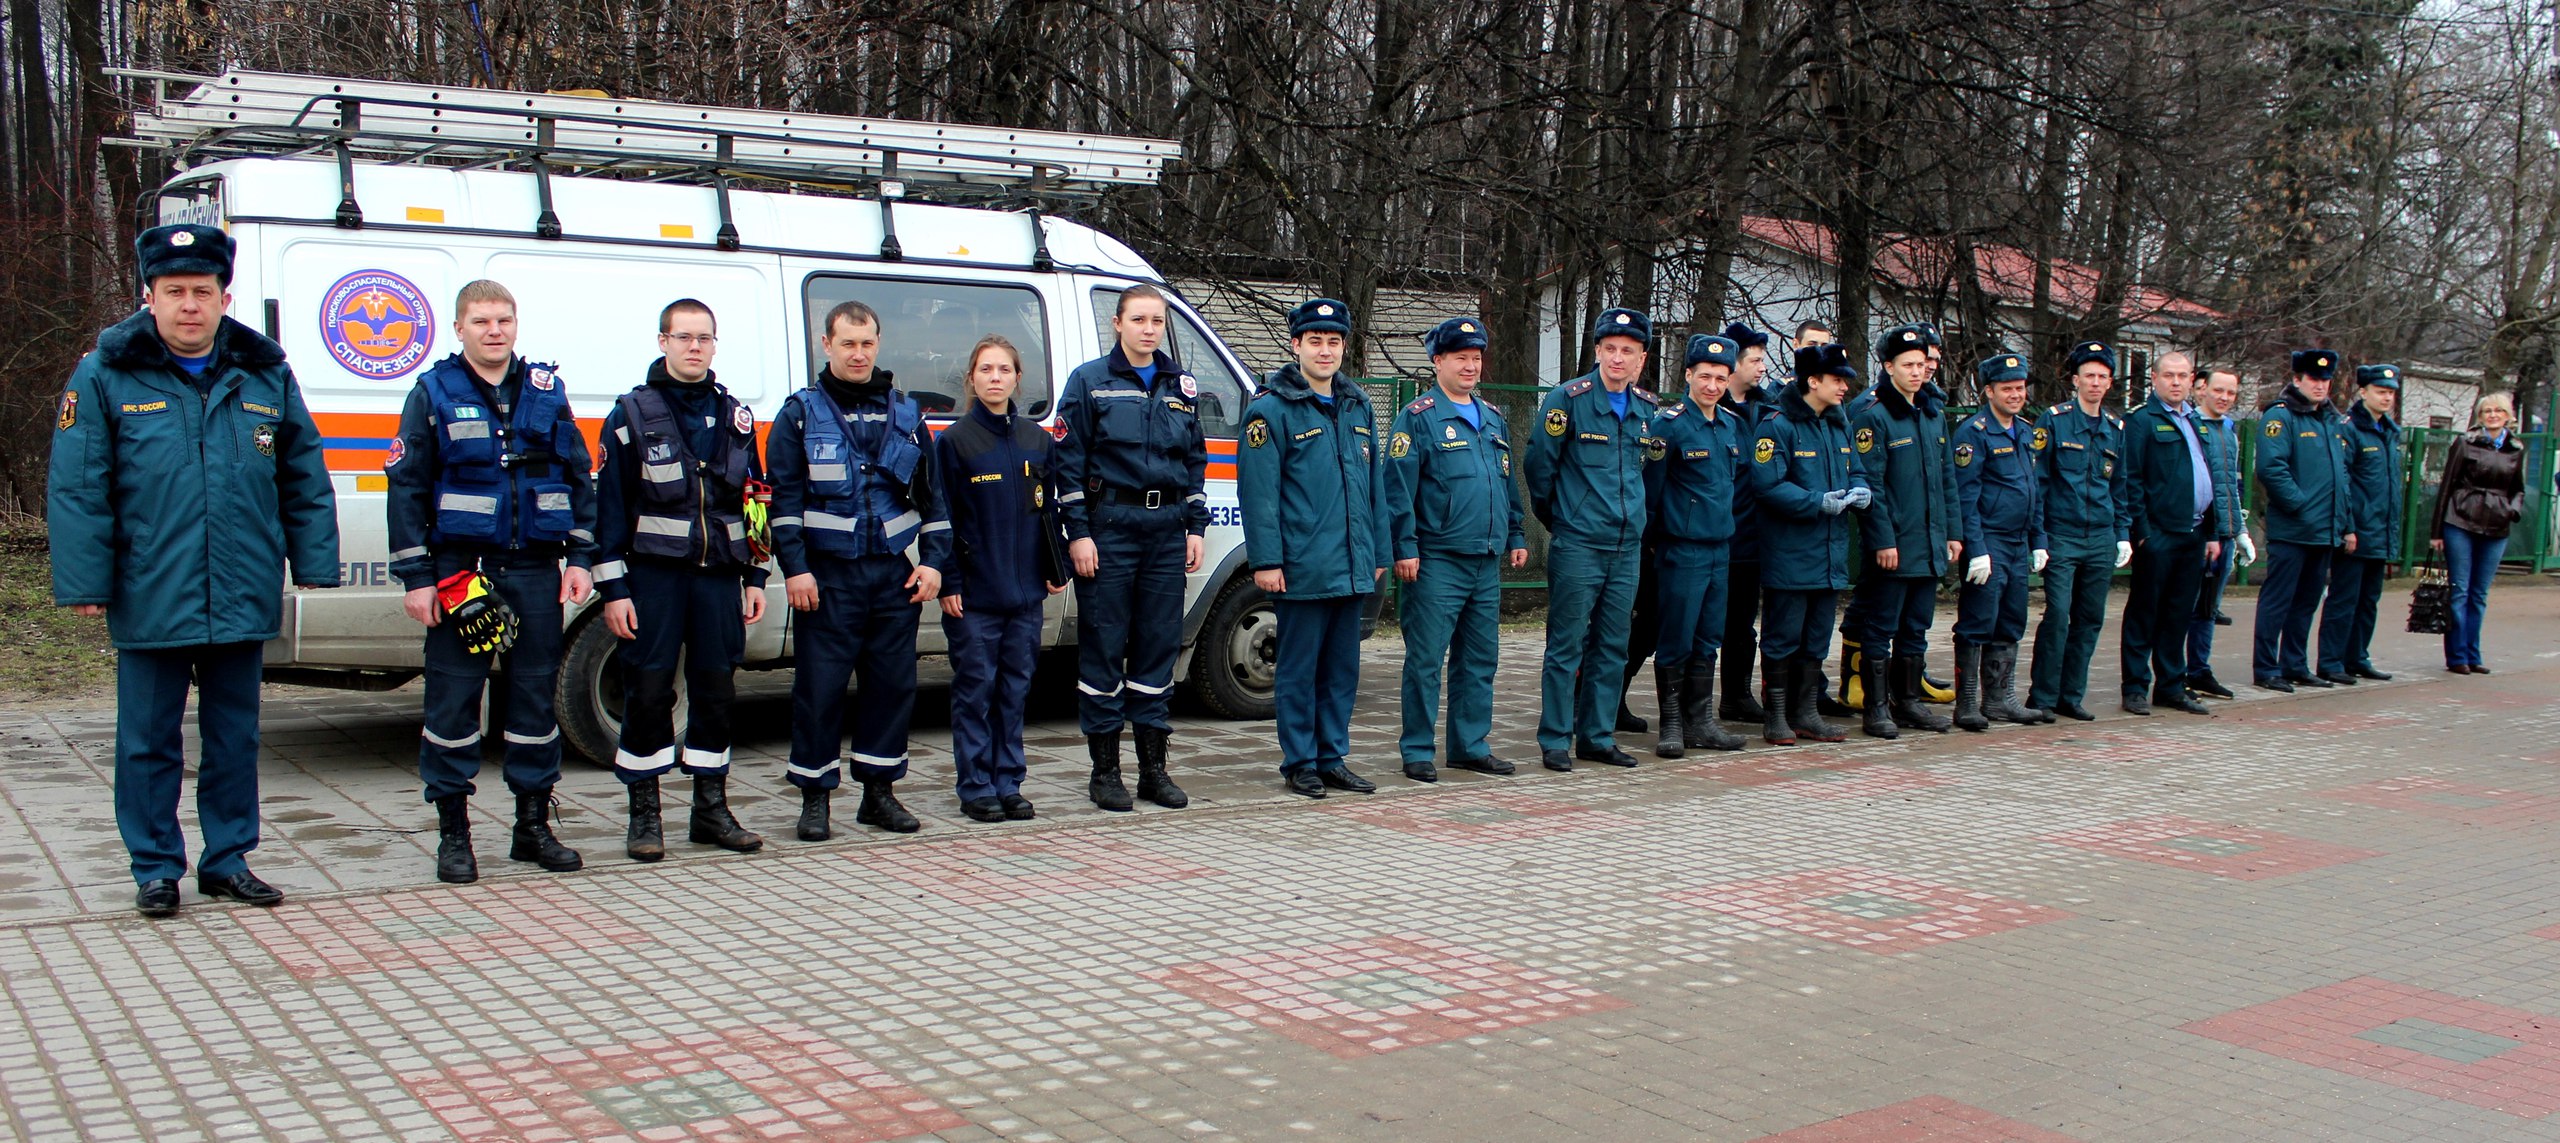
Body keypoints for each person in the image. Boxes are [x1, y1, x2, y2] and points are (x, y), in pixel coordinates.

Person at [49, 223, 339, 917]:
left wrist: (317, 563)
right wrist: (87, 581)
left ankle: (228, 858)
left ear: (223, 297)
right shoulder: (105, 373)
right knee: (148, 741)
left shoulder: (265, 371)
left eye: (201, 291)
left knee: (234, 735)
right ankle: (154, 867)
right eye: (173, 291)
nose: (188, 304)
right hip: (152, 588)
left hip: (241, 586)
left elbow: (303, 472)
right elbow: (79, 483)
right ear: (148, 296)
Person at [387, 279, 593, 885]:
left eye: (503, 320)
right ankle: (454, 834)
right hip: (460, 574)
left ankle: (531, 826)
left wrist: (580, 559)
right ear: (459, 329)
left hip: (533, 570)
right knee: (452, 704)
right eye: (481, 321)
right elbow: (406, 488)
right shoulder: (432, 393)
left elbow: (579, 479)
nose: (494, 331)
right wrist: (416, 578)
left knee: (534, 701)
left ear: (515, 324)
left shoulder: (545, 394)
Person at [591, 299, 767, 860]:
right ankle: (645, 815)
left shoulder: (735, 417)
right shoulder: (631, 414)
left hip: (718, 578)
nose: (695, 347)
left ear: (715, 345)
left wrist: (757, 575)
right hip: (653, 578)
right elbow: (607, 511)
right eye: (684, 337)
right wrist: (613, 590)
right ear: (662, 341)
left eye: (705, 338)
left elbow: (755, 500)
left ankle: (710, 811)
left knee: (716, 692)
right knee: (648, 692)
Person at [770, 300, 950, 836]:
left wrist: (935, 564)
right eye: (847, 343)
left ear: (879, 344)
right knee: (819, 690)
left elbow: (934, 500)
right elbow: (782, 501)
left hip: (892, 575)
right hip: (827, 580)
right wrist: (796, 569)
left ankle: (878, 793)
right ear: (827, 346)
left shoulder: (907, 415)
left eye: (867, 343)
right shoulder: (800, 414)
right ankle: (815, 798)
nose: (858, 353)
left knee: (891, 687)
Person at [1055, 285, 1207, 809]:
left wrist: (1196, 526)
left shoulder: (1180, 386)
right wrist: (1079, 533)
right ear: (1117, 324)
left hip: (1165, 529)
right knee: (1103, 648)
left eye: (1157, 321)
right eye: (1138, 319)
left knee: (1157, 648)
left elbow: (1194, 462)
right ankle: (1105, 773)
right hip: (1111, 528)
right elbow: (1068, 464)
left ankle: (1153, 771)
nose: (1149, 329)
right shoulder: (1090, 382)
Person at [1240, 299, 1390, 798]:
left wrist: (1380, 553)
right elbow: (1259, 494)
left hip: (1352, 565)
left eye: (1334, 342)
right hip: (1302, 566)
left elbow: (1374, 487)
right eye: (1315, 341)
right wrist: (1266, 561)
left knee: (1342, 671)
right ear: (1296, 345)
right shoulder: (1270, 409)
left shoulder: (1358, 405)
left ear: (1344, 347)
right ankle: (1299, 762)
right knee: (1300, 671)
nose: (1325, 351)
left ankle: (1332, 757)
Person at [1387, 318, 1528, 783]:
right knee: (1426, 660)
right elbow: (1398, 489)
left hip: (1485, 560)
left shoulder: (1492, 416)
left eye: (1476, 358)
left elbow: (1506, 483)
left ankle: (1470, 746)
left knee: (1480, 659)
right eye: (1460, 357)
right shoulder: (1420, 416)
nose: (1470, 366)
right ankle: (1417, 751)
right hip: (1437, 560)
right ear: (1438, 361)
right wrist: (1404, 547)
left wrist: (1516, 535)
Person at [936, 335, 1068, 822]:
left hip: (1025, 595)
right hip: (974, 595)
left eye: (1004, 370)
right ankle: (975, 786)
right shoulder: (954, 442)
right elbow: (941, 518)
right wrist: (949, 582)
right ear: (971, 378)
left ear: (1017, 378)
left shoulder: (1036, 438)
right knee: (976, 690)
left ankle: (1009, 781)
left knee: (1014, 690)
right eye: (985, 370)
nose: (995, 378)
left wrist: (1056, 568)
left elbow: (1049, 511)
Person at [1524, 307, 1660, 772]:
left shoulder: (1646, 408)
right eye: (1610, 349)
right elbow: (1539, 467)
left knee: (1612, 644)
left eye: (1628, 351)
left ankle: (1597, 736)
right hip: (1579, 543)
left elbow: (1643, 473)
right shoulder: (1568, 399)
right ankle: (1556, 739)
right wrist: (1562, 519)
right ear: (1598, 351)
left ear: (1642, 359)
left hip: (1626, 547)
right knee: (1567, 645)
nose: (1618, 359)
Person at [1748, 343, 1871, 746]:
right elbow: (1766, 485)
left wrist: (1861, 490)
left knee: (1818, 635)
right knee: (1783, 636)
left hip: (1830, 553)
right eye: (1836, 381)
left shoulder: (1838, 424)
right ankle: (1777, 715)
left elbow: (1858, 468)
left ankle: (1806, 712)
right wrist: (1816, 502)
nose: (1843, 389)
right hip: (1792, 551)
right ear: (1812, 381)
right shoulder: (1778, 424)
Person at [1842, 325, 1959, 739]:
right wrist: (1883, 539)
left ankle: (1908, 701)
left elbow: (1947, 481)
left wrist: (1952, 533)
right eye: (1907, 365)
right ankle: (1876, 707)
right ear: (1888, 366)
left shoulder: (1931, 413)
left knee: (1917, 626)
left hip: (1928, 544)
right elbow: (1870, 486)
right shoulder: (1874, 415)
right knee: (1880, 626)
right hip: (1893, 546)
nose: (1917, 372)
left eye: (1921, 365)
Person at [1642, 334, 1751, 756]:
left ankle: (1700, 722)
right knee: (1676, 636)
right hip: (1680, 548)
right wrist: (1655, 543)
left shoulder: (1731, 425)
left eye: (1721, 378)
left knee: (1709, 636)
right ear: (1687, 374)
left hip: (1719, 547)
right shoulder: (1668, 425)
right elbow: (1652, 491)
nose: (1712, 385)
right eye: (1704, 376)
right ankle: (1671, 724)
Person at [2026, 341, 2131, 722]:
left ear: (2110, 383)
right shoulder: (2053, 421)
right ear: (2075, 380)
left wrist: (2123, 533)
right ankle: (2042, 696)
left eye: (2103, 377)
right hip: (2062, 535)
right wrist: (2039, 537)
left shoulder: (2116, 427)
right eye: (2089, 375)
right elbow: (2039, 483)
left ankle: (2072, 695)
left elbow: (2120, 486)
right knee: (2057, 616)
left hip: (2101, 536)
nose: (2096, 383)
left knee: (2090, 618)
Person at [2117, 351, 2225, 716]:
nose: (2176, 382)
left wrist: (2211, 532)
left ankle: (2171, 686)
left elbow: (2208, 477)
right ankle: (2134, 687)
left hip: (2193, 533)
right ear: (2155, 379)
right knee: (2144, 613)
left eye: (2182, 376)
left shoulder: (2196, 421)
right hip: (2159, 534)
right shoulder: (2142, 421)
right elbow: (2131, 480)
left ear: (2192, 379)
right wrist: (2143, 533)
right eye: (2169, 376)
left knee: (2178, 614)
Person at [1950, 353, 2048, 730]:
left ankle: (2001, 699)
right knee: (1977, 622)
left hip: (2017, 542)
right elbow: (1966, 496)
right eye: (2006, 388)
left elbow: (2032, 490)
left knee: (2011, 621)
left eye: (2020, 388)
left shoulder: (2024, 431)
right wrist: (1976, 549)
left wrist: (2038, 540)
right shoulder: (1973, 433)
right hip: (1989, 540)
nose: (2015, 395)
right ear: (1989, 391)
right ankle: (1969, 704)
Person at [2251, 349, 2353, 692]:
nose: (2321, 386)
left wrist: (2343, 521)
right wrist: (2300, 505)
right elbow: (2271, 468)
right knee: (2277, 601)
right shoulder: (2281, 416)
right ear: (2297, 379)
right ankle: (2266, 668)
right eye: (2313, 379)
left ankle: (2294, 664)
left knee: (2307, 601)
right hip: (2294, 529)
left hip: (2323, 530)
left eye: (2326, 380)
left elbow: (2341, 476)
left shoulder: (2330, 420)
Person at [2316, 364, 2405, 685]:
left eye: (2391, 393)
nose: (2386, 398)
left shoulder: (2390, 432)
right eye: (2380, 391)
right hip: (2356, 531)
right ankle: (2331, 661)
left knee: (2369, 600)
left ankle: (2357, 657)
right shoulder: (2349, 428)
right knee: (2344, 598)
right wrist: (2348, 527)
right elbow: (2344, 483)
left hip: (2380, 531)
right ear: (2363, 392)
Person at [2429, 392, 2526, 674]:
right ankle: (2457, 656)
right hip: (2460, 519)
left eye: (2498, 411)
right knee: (2460, 589)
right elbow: (2446, 485)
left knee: (2479, 593)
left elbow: (2517, 487)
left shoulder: (2515, 449)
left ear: (2509, 416)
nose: (2493, 415)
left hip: (2497, 524)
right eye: (2487, 411)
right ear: (2480, 416)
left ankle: (2473, 653)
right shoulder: (2465, 442)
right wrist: (2437, 531)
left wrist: (2513, 509)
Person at [1717, 322, 1777, 723]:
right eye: (1754, 359)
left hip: (1753, 538)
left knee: (1742, 625)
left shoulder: (1769, 408)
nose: (1761, 367)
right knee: (1687, 626)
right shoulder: (1713, 404)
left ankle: (1735, 696)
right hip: (1714, 533)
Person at [2184, 369, 2254, 699]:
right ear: (2202, 391)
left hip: (2223, 534)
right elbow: (2198, 487)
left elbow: (2230, 487)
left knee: (2208, 608)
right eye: (2218, 391)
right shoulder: (2191, 428)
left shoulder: (2229, 431)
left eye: (2231, 393)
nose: (2224, 398)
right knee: (2185, 606)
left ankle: (2199, 669)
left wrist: (2238, 531)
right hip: (2199, 534)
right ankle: (2175, 674)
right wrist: (2209, 531)